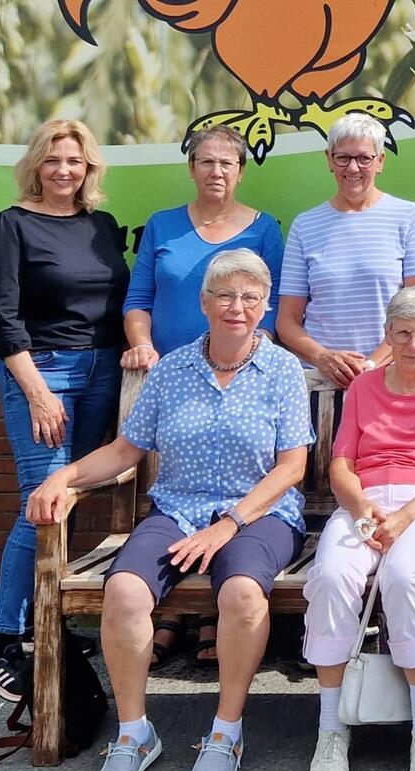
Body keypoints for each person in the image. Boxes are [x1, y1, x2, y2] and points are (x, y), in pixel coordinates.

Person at [27, 250, 313, 771]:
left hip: (260, 514)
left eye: (250, 297)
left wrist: (229, 524)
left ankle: (225, 732)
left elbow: (292, 467)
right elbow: (126, 449)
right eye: (225, 295)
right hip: (177, 510)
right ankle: (134, 734)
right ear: (204, 303)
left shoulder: (279, 370)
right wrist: (63, 477)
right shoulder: (173, 370)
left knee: (243, 596)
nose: (237, 307)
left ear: (264, 307)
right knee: (126, 592)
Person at [122, 124, 286, 670]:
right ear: (191, 167)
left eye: (227, 163)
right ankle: (171, 615)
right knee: (182, 490)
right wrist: (143, 347)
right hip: (175, 381)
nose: (216, 171)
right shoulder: (163, 226)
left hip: (235, 379)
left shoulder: (264, 230)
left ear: (241, 171)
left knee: (226, 482)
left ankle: (212, 616)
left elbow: (274, 305)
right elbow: (138, 297)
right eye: (206, 161)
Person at [303, 288, 415, 771]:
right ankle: (331, 727)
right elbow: (341, 464)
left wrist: (403, 517)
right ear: (389, 335)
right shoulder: (363, 389)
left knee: (405, 577)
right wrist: (362, 510)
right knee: (333, 576)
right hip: (364, 502)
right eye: (404, 333)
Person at [0, 120, 126, 696]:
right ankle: (6, 643)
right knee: (41, 502)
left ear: (89, 168)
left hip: (102, 370)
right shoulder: (11, 226)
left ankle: (49, 621)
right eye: (54, 161)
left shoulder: (101, 226)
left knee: (71, 495)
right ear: (36, 166)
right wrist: (37, 391)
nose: (64, 171)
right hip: (42, 372)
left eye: (76, 161)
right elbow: (1, 315)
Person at [277, 113, 415, 388]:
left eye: (364, 158)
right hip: (320, 383)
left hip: (390, 379)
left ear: (380, 162)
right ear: (329, 159)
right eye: (343, 158)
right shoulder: (305, 226)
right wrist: (323, 357)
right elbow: (287, 321)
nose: (353, 168)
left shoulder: (408, 217)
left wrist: (372, 365)